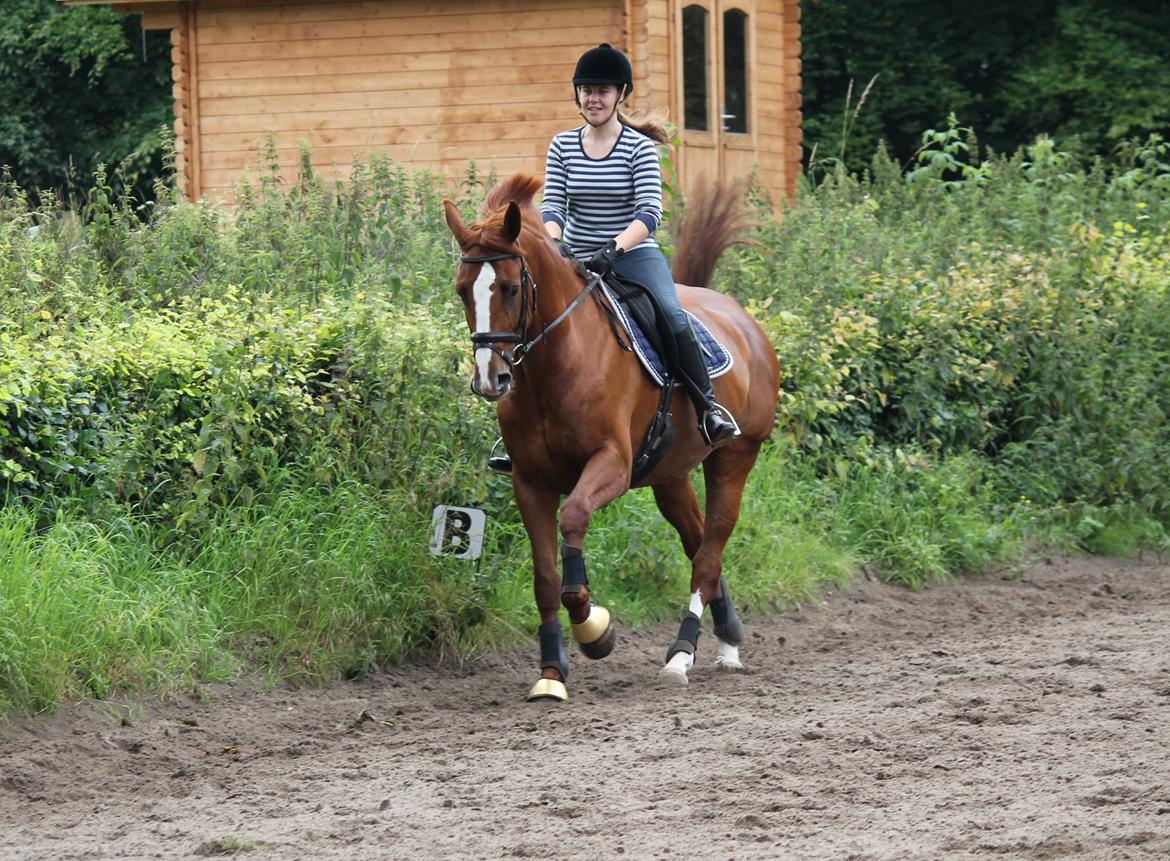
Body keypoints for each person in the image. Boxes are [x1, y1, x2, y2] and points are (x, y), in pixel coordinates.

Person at [488, 43, 739, 475]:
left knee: (672, 315)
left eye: (602, 90)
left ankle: (708, 409)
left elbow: (649, 213)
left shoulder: (638, 148)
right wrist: (553, 242)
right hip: (574, 256)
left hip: (632, 255)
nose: (593, 98)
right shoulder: (563, 144)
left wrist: (614, 249)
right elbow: (554, 208)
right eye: (586, 90)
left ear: (621, 93)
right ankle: (520, 437)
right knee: (527, 318)